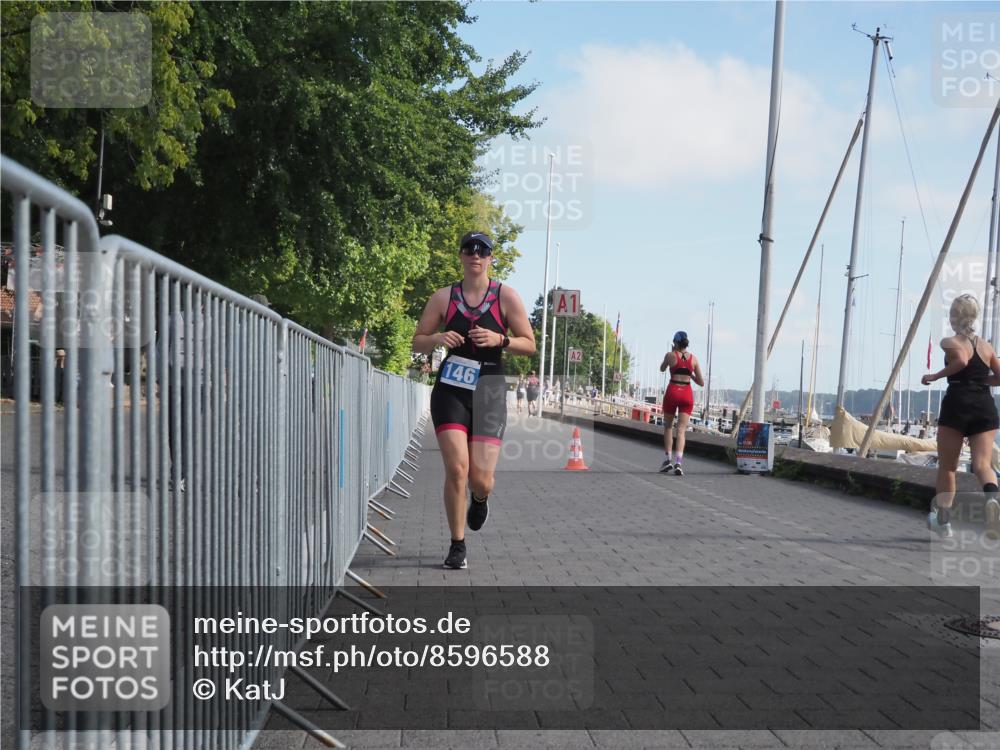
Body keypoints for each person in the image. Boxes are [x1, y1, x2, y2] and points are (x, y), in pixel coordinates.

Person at [412, 231, 535, 569]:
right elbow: (417, 342)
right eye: (469, 249)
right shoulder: (443, 298)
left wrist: (501, 340)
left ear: (491, 257)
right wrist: (437, 337)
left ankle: (480, 499)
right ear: (461, 256)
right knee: (456, 469)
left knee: (480, 478)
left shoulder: (506, 297)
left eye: (482, 250)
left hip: (489, 390)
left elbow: (530, 343)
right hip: (451, 388)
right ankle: (457, 545)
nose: (475, 255)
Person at [922, 294, 1000, 539]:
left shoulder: (950, 341)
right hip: (984, 404)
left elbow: (962, 360)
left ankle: (943, 522)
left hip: (958, 403)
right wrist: (982, 381)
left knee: (948, 467)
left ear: (955, 317)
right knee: (982, 465)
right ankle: (992, 499)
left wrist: (935, 376)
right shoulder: (986, 346)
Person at [658, 331, 705, 476]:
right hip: (686, 393)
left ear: (676, 343)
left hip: (673, 391)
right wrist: (688, 373)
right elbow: (701, 382)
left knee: (668, 427)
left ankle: (668, 461)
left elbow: (662, 369)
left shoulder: (670, 355)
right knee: (681, 430)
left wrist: (672, 354)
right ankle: (679, 463)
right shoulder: (694, 359)